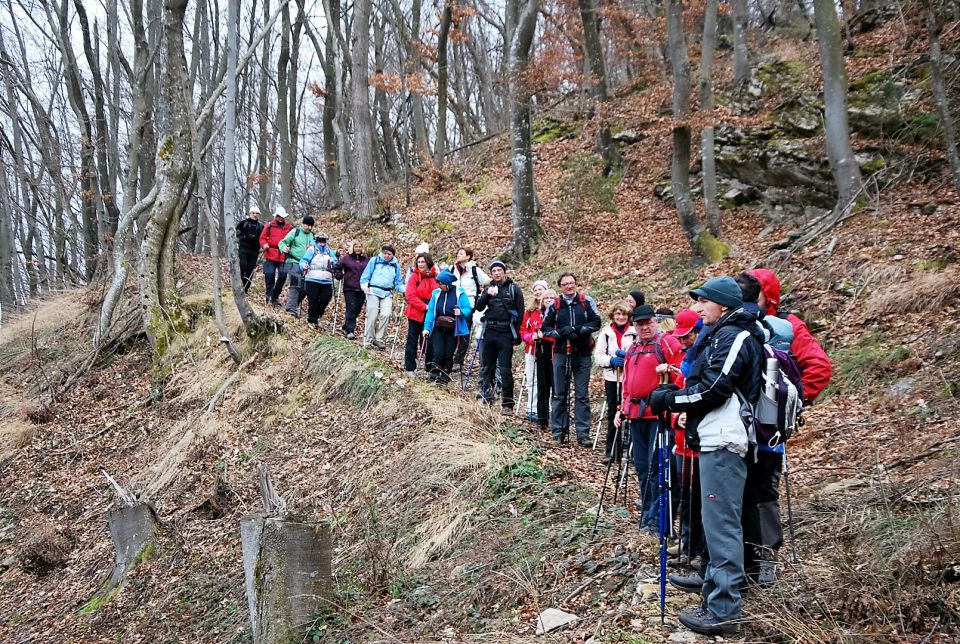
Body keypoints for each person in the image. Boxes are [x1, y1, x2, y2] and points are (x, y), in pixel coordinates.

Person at [648, 276, 765, 637]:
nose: (697, 308)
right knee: (715, 521)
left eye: (703, 302)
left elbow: (716, 387)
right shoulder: (723, 333)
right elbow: (710, 385)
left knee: (722, 525)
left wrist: (673, 399)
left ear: (724, 305)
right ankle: (715, 594)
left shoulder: (736, 335)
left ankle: (724, 610)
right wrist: (680, 398)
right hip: (715, 437)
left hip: (726, 440)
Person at [613, 304, 682, 532]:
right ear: (634, 325)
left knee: (657, 468)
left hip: (658, 417)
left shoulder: (668, 344)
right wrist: (621, 408)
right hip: (636, 415)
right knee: (642, 468)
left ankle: (658, 521)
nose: (644, 327)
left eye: (648, 323)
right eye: (640, 324)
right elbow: (627, 383)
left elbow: (682, 375)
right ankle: (648, 514)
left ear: (655, 322)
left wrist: (670, 371)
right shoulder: (633, 348)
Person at [542, 273, 601, 446]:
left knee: (582, 394)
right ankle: (558, 431)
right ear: (560, 286)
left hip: (582, 353)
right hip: (561, 352)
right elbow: (545, 328)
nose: (569, 286)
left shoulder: (586, 301)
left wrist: (579, 330)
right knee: (560, 393)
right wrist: (560, 333)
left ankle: (583, 434)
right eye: (566, 284)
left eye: (572, 283)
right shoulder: (555, 305)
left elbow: (596, 322)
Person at [475, 260, 524, 412]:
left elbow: (520, 313)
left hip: (505, 333)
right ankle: (487, 397)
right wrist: (486, 295)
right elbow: (479, 307)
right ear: (491, 273)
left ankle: (508, 404)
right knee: (487, 367)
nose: (496, 273)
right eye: (494, 271)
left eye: (499, 270)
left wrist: (515, 334)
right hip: (489, 331)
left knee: (505, 369)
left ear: (504, 271)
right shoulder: (488, 288)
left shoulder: (514, 289)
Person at [593, 302, 637, 464]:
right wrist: (611, 360)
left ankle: (632, 451)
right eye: (618, 314)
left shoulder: (634, 332)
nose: (621, 317)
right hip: (612, 378)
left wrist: (628, 358)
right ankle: (612, 450)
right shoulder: (606, 333)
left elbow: (639, 352)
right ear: (613, 315)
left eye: (624, 314)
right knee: (614, 412)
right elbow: (598, 356)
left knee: (632, 411)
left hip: (630, 377)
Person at [422, 270, 473, 385]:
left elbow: (468, 308)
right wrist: (427, 328)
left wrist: (460, 311)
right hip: (439, 327)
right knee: (438, 351)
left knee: (449, 352)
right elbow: (430, 312)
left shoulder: (459, 293)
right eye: (438, 283)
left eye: (441, 283)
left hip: (453, 328)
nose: (439, 285)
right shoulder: (436, 293)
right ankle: (434, 373)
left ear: (448, 283)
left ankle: (445, 374)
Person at [451, 247, 491, 370]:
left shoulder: (474, 270)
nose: (458, 255)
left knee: (464, 332)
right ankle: (448, 357)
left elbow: (487, 281)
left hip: (469, 303)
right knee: (451, 328)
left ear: (468, 256)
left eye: (461, 253)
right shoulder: (452, 269)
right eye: (458, 253)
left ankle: (459, 360)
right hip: (453, 302)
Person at [360, 245, 405, 349]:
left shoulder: (395, 266)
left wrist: (405, 289)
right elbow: (366, 275)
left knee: (386, 314)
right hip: (373, 291)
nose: (387, 256)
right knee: (372, 314)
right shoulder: (374, 261)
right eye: (385, 253)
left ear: (393, 255)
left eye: (389, 254)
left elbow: (398, 282)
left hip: (387, 293)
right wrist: (364, 286)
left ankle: (379, 339)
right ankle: (368, 339)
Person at [404, 253, 439, 376]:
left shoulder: (436, 276)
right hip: (416, 312)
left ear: (428, 262)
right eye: (419, 262)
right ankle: (410, 367)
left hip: (431, 313)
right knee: (412, 339)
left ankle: (429, 367)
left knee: (430, 340)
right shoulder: (414, 277)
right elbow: (410, 295)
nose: (421, 264)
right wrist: (424, 306)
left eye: (423, 262)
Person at [520, 280, 550, 422]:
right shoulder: (529, 311)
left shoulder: (550, 310)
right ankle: (531, 408)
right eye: (535, 290)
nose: (538, 292)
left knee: (545, 380)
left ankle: (544, 408)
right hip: (531, 349)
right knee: (531, 379)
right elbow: (523, 330)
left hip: (547, 350)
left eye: (541, 289)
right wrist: (530, 337)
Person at [278, 215, 316, 316]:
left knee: (305, 288)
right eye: (308, 225)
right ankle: (291, 310)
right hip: (293, 261)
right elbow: (282, 242)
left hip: (306, 264)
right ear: (303, 224)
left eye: (311, 225)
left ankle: (293, 304)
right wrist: (284, 248)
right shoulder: (296, 232)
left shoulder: (313, 236)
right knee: (295, 284)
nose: (309, 227)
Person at [299, 233, 338, 328]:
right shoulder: (312, 249)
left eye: (323, 241)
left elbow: (336, 262)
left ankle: (317, 315)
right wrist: (303, 265)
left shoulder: (329, 251)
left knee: (326, 298)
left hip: (326, 280)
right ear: (317, 241)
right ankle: (312, 319)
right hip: (312, 278)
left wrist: (334, 261)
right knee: (313, 299)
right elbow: (303, 260)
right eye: (320, 241)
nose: (322, 244)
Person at [259, 207, 293, 306]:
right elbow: (262, 238)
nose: (280, 218)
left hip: (283, 256)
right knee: (269, 276)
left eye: (282, 217)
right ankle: (269, 298)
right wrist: (264, 244)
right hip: (270, 254)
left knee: (283, 276)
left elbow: (292, 240)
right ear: (276, 216)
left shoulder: (289, 228)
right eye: (279, 216)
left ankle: (275, 296)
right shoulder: (269, 226)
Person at [335, 241, 369, 339]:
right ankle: (350, 330)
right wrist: (338, 274)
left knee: (357, 309)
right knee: (351, 308)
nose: (358, 249)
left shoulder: (366, 259)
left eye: (360, 247)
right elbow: (337, 268)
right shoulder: (346, 259)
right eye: (356, 247)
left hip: (362, 288)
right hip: (349, 288)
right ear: (352, 248)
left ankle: (346, 326)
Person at [236, 204, 264, 293]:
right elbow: (236, 231)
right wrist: (241, 237)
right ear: (250, 213)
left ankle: (246, 288)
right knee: (242, 265)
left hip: (254, 250)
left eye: (257, 213)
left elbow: (264, 236)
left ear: (259, 215)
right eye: (253, 213)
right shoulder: (243, 223)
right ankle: (239, 284)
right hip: (243, 248)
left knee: (250, 270)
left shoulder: (261, 226)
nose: (255, 215)